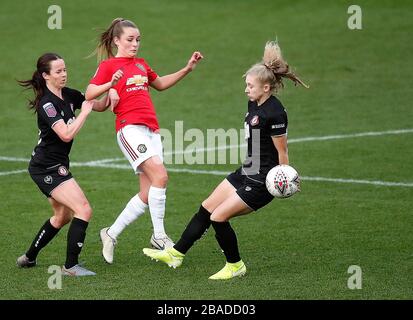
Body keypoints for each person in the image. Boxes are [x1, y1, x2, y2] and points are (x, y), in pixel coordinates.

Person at [142, 40, 308, 280]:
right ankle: (176, 254)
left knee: (218, 217)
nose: (246, 89)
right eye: (246, 85)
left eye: (250, 86)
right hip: (247, 169)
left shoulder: (275, 112)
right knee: (207, 207)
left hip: (262, 180)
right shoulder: (254, 102)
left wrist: (284, 179)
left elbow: (282, 152)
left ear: (266, 88)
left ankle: (235, 265)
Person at [85, 18, 203, 264]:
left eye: (138, 40)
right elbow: (89, 94)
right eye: (129, 40)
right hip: (129, 129)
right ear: (117, 40)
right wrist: (111, 83)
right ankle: (159, 236)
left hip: (151, 130)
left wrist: (186, 69)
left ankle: (110, 233)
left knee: (148, 192)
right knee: (161, 177)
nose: (135, 44)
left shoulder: (141, 64)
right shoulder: (109, 65)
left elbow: (159, 84)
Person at [16, 53, 110, 276]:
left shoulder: (68, 94)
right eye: (58, 71)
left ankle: (28, 258)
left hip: (56, 164)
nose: (64, 74)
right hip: (46, 167)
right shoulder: (47, 104)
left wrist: (111, 88)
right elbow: (66, 134)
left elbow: (98, 105)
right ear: (45, 75)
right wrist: (84, 113)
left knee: (62, 217)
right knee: (84, 209)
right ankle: (70, 266)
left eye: (65, 70)